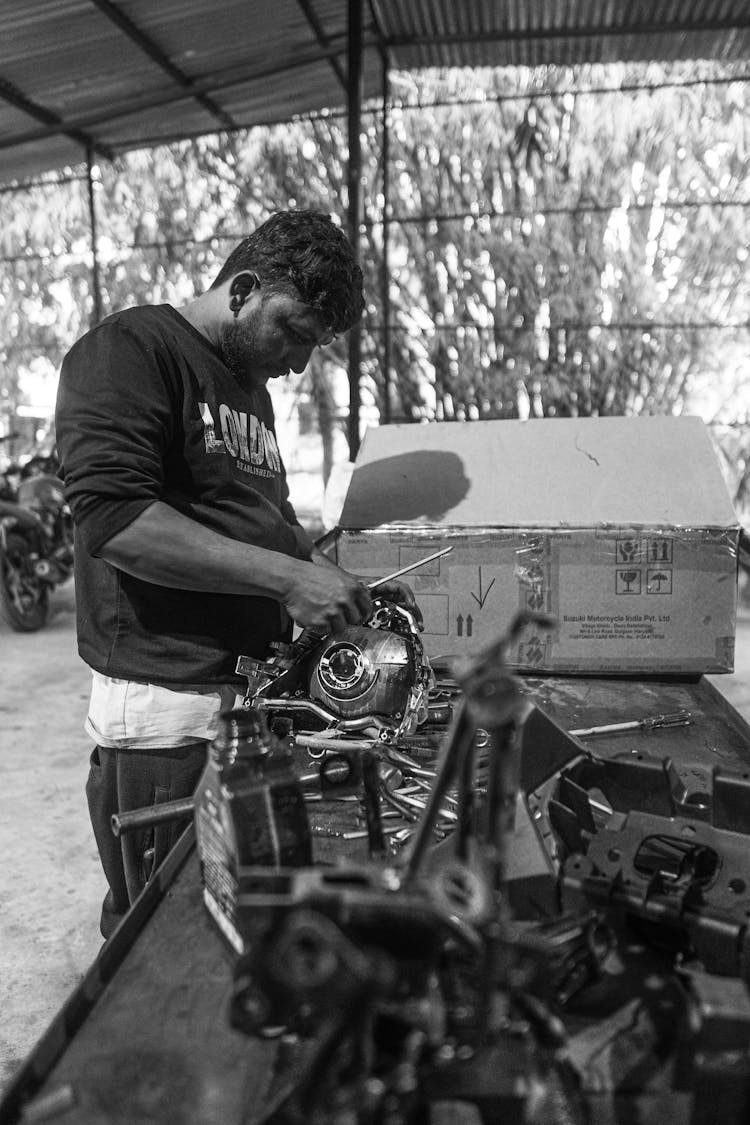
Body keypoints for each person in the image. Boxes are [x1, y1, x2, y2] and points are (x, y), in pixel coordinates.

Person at [55, 209, 415, 938]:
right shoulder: (129, 350)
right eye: (295, 331)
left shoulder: (249, 390)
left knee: (230, 914)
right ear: (244, 288)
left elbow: (272, 522)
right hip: (167, 707)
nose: (298, 362)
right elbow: (115, 521)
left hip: (243, 697)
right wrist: (286, 581)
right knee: (161, 931)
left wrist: (328, 577)